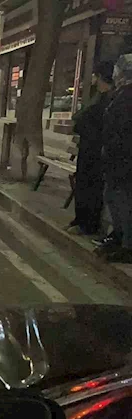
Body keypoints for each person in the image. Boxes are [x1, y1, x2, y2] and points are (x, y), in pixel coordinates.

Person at [68, 62, 115, 237]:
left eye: (95, 76)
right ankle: (80, 220)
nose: (93, 79)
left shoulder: (108, 99)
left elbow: (87, 120)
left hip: (95, 152)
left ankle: (87, 224)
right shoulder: (98, 97)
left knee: (91, 189)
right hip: (88, 149)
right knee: (83, 185)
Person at [98, 54, 132, 263]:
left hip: (123, 161)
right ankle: (119, 237)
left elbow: (122, 130)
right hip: (115, 160)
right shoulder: (121, 95)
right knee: (114, 198)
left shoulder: (127, 97)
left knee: (123, 201)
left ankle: (127, 245)